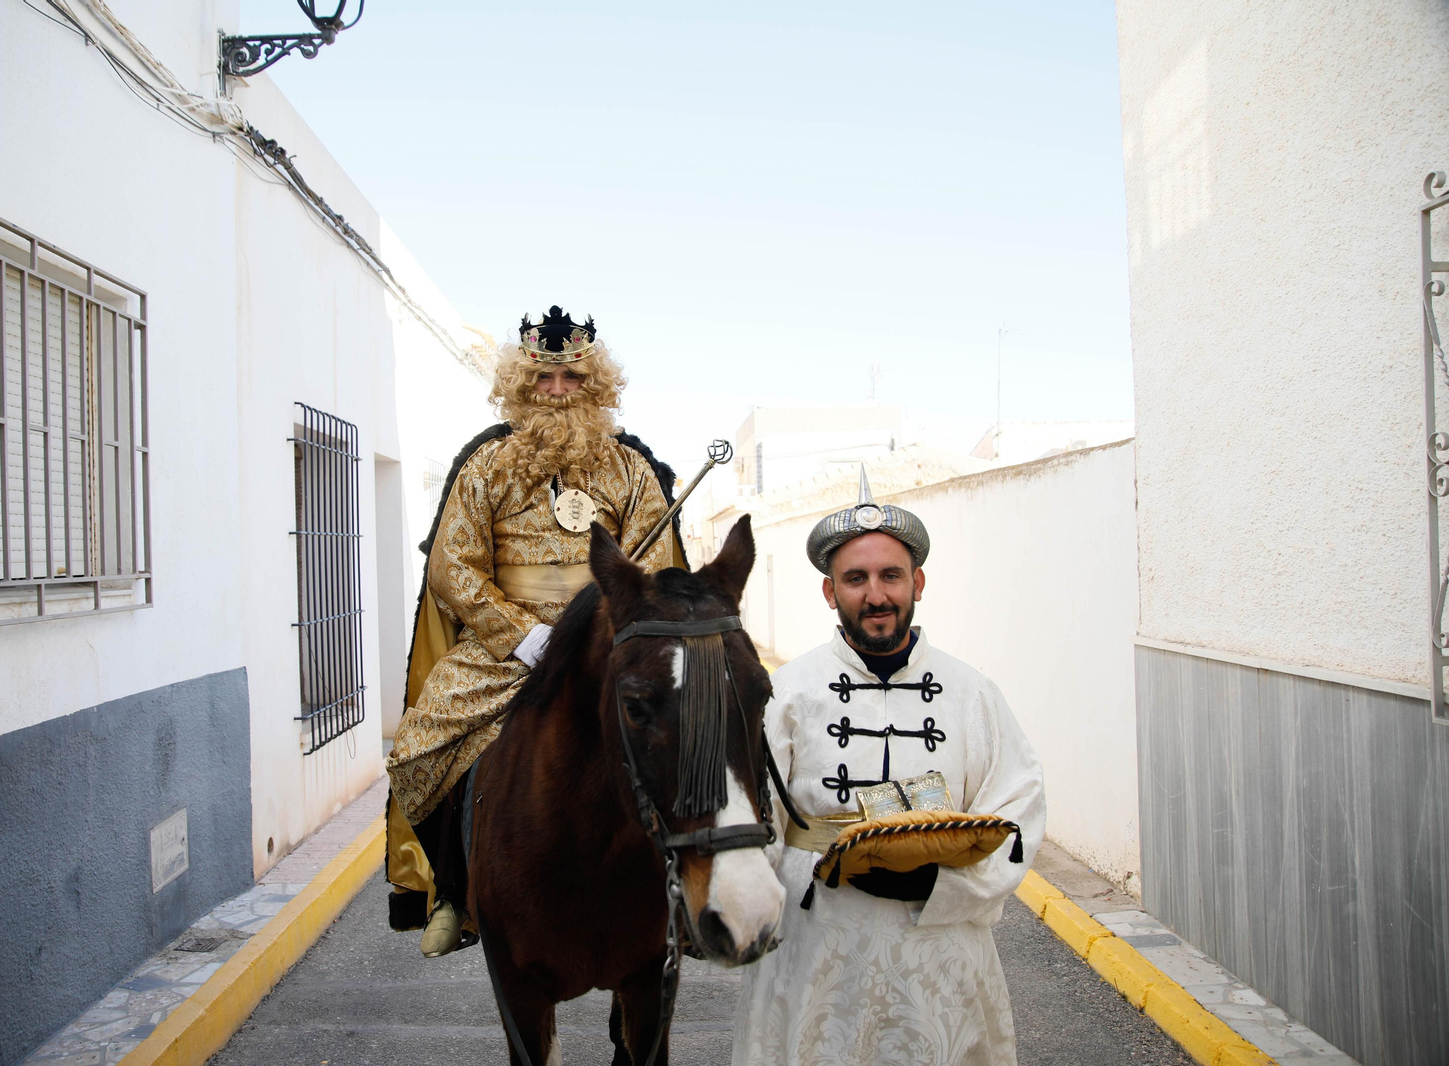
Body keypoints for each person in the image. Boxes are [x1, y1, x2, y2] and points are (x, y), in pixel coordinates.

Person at [383, 306, 682, 957]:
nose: (556, 390)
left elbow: (652, 572)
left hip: (605, 651)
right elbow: (451, 567)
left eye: (571, 377)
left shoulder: (631, 472)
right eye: (543, 379)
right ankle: (456, 894)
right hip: (502, 654)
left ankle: (680, 889)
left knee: (683, 737)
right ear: (521, 383)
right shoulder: (486, 465)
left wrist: (597, 637)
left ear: (594, 383)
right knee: (416, 751)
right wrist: (522, 637)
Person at [732, 469, 1046, 1066]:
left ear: (917, 583)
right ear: (831, 593)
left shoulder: (970, 693)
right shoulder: (787, 692)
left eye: (890, 576)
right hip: (816, 945)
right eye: (856, 579)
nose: (876, 595)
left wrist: (945, 885)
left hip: (939, 949)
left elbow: (1019, 810)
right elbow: (755, 818)